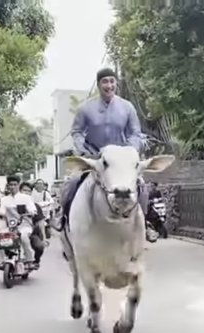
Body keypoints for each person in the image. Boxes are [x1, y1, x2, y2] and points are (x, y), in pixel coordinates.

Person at [60, 67, 151, 238]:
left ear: (116, 83)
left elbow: (135, 133)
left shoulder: (127, 107)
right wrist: (84, 151)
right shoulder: (86, 108)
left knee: (143, 187)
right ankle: (63, 220)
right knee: (72, 183)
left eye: (112, 81)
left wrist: (129, 151)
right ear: (99, 84)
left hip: (120, 162)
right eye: (105, 82)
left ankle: (145, 223)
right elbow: (77, 132)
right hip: (96, 158)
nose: (109, 85)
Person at [0, 175, 36, 269]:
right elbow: (2, 210)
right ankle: (1, 260)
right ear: (8, 186)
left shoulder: (26, 198)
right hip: (10, 226)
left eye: (15, 184)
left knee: (24, 236)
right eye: (10, 185)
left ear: (18, 185)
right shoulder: (4, 200)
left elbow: (32, 208)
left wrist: (31, 212)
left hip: (24, 225)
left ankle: (29, 260)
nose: (12, 187)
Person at [19, 182, 47, 267]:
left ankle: (35, 260)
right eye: (24, 190)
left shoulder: (35, 206)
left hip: (31, 233)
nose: (26, 193)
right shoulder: (13, 204)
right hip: (14, 231)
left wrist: (44, 238)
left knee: (39, 247)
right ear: (20, 191)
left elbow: (41, 223)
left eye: (28, 191)